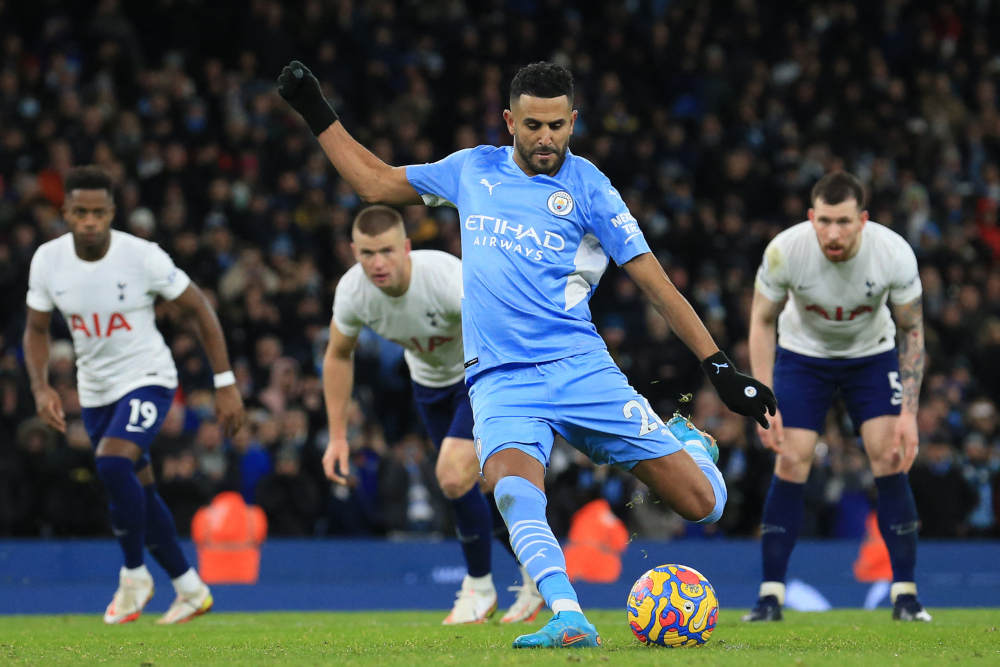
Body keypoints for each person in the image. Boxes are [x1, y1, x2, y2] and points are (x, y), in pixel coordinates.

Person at [279, 60, 774, 649]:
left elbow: (655, 283)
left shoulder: (590, 187)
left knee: (701, 505)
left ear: (573, 121)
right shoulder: (472, 170)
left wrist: (720, 369)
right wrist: (315, 110)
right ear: (511, 119)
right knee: (511, 489)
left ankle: (692, 447)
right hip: (501, 379)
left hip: (580, 370)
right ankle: (568, 615)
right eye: (534, 125)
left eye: (559, 126)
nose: (547, 138)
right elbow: (376, 183)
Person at [23, 166, 246, 624]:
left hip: (149, 377)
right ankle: (190, 588)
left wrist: (224, 383)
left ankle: (134, 576)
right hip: (95, 390)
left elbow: (200, 309)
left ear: (112, 213)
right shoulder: (47, 260)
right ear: (65, 212)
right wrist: (40, 384)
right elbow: (36, 329)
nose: (89, 221)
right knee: (139, 491)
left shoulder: (143, 257)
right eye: (80, 212)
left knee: (111, 462)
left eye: (98, 212)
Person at [322, 204, 545, 624]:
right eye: (367, 253)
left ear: (406, 247)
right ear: (354, 252)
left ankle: (478, 588)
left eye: (387, 250)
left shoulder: (445, 278)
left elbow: (503, 326)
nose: (378, 262)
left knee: (449, 474)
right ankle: (537, 578)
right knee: (474, 488)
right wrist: (337, 437)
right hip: (428, 387)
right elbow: (337, 355)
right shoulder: (352, 292)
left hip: (480, 376)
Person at [746, 172, 929, 622]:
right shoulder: (784, 251)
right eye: (824, 220)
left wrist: (909, 414)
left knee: (889, 456)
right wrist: (763, 403)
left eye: (844, 221)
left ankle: (906, 596)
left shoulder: (894, 254)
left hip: (871, 356)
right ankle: (770, 597)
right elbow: (762, 321)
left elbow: (911, 330)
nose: (833, 232)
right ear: (811, 217)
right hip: (804, 357)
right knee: (791, 459)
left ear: (862, 220)